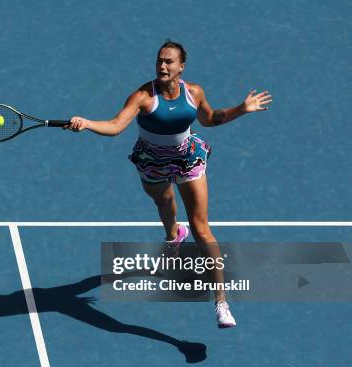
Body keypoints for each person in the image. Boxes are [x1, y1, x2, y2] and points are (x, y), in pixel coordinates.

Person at [64, 39, 272, 328]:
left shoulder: (194, 92)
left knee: (202, 229)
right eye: (160, 60)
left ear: (181, 67)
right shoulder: (142, 96)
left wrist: (242, 108)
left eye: (169, 61)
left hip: (188, 159)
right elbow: (114, 127)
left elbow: (210, 120)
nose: (162, 65)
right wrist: (86, 123)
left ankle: (221, 303)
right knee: (163, 201)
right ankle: (174, 234)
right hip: (152, 160)